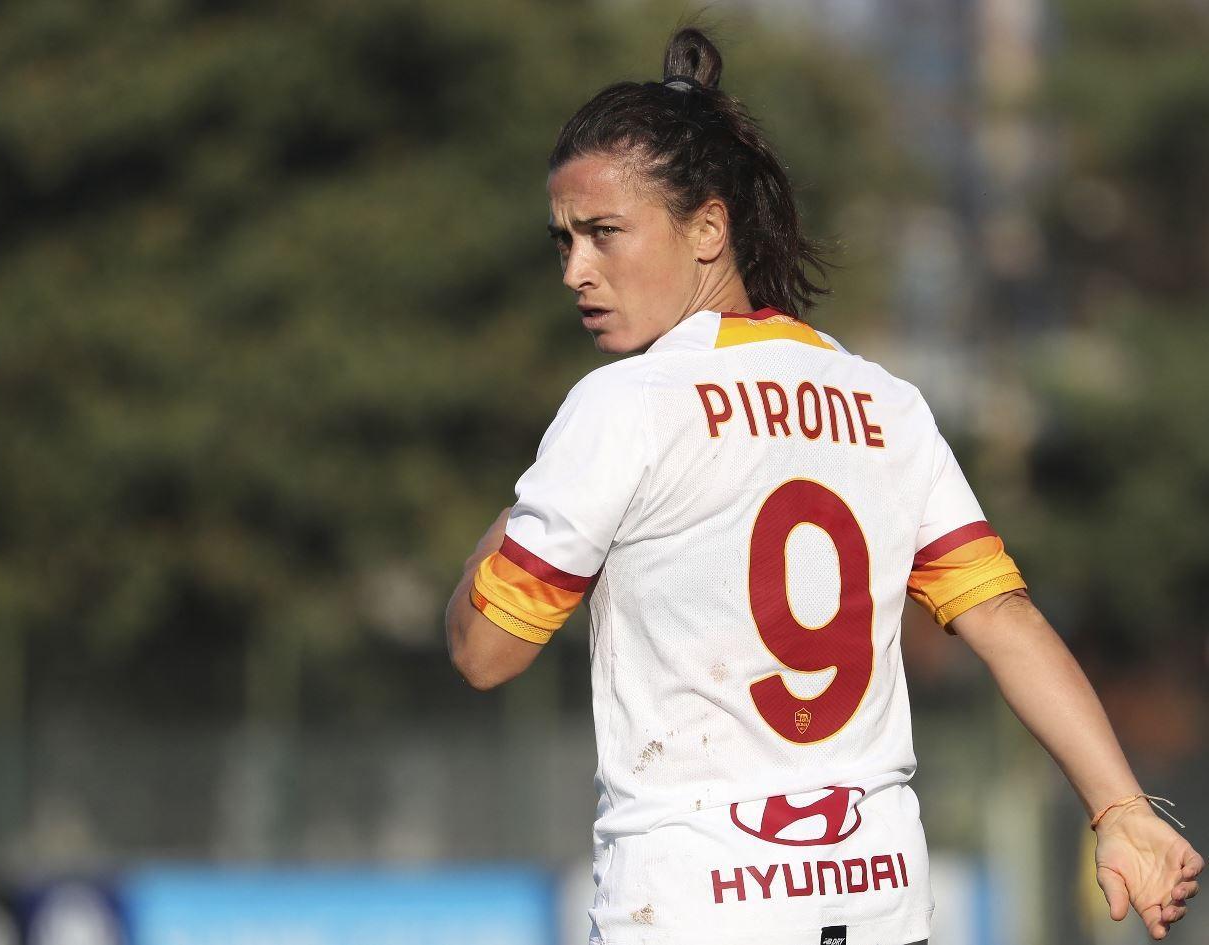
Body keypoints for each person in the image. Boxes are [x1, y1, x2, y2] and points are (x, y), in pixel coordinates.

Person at [445, 26, 1201, 945]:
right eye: (563, 240)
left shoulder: (622, 405)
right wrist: (1117, 806)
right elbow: (1004, 622)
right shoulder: (886, 401)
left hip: (689, 909)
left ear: (709, 229)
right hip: (878, 904)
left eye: (603, 233)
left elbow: (485, 651)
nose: (575, 270)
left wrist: (534, 494)